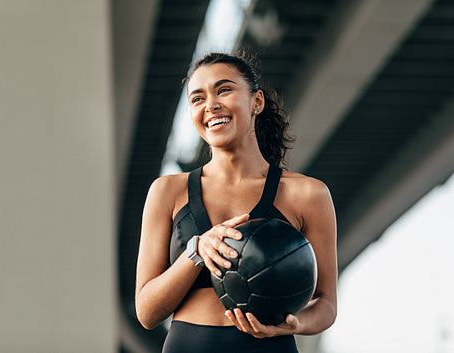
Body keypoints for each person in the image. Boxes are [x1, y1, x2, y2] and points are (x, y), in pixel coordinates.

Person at [135, 52, 338, 353]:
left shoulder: (308, 194)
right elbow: (147, 313)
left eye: (224, 90)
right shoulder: (168, 191)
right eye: (197, 98)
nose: (211, 105)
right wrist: (197, 250)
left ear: (256, 102)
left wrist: (296, 323)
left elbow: (327, 304)